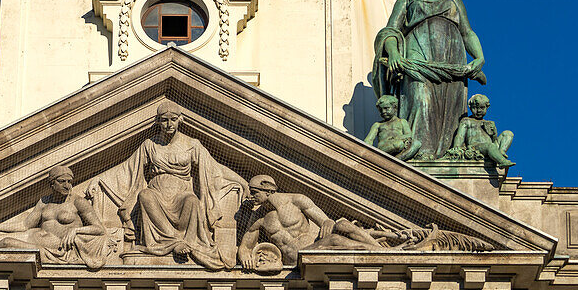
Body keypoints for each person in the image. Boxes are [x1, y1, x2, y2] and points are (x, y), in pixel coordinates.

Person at [90, 100, 245, 269]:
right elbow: (127, 168)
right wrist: (100, 178)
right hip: (156, 191)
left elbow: (215, 170)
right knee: (145, 195)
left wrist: (241, 180)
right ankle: (174, 242)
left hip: (181, 193)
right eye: (164, 120)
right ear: (158, 122)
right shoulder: (149, 145)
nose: (169, 124)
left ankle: (188, 242)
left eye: (173, 119)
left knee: (192, 201)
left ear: (181, 120)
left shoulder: (192, 145)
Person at [372, 0, 486, 159]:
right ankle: (418, 153)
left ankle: (448, 154)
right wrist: (394, 53)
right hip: (418, 58)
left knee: (449, 109)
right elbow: (389, 31)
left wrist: (479, 57)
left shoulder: (454, 1)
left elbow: (467, 33)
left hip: (452, 59)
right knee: (420, 100)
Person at [0, 165, 112, 269]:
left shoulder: (78, 201)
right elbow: (24, 225)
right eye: (62, 181)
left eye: (69, 182)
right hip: (33, 236)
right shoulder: (43, 202)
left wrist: (76, 231)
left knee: (6, 242)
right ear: (52, 184)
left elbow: (99, 229)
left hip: (54, 246)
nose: (67, 185)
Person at [237, 175, 388, 269]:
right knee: (336, 239)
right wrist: (244, 255)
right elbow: (245, 246)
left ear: (267, 188)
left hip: (311, 251)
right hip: (293, 262)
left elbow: (325, 221)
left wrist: (328, 222)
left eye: (255, 192)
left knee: (340, 228)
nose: (251, 196)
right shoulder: (258, 218)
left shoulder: (297, 200)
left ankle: (383, 252)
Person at [450, 94, 515, 168]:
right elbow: (460, 136)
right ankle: (502, 161)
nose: (478, 111)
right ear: (470, 107)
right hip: (475, 147)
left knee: (508, 133)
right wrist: (456, 147)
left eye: (482, 108)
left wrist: (494, 133)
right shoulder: (466, 121)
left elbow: (493, 140)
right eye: (475, 108)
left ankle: (500, 153)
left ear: (487, 107)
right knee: (490, 146)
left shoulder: (489, 123)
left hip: (490, 147)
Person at [364, 95, 421, 161]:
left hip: (398, 144)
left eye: (386, 108)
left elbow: (409, 135)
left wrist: (397, 138)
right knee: (398, 144)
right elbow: (368, 140)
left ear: (395, 108)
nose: (383, 112)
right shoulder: (377, 125)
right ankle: (394, 160)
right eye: (380, 110)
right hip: (384, 148)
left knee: (417, 144)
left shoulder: (402, 121)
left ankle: (397, 159)